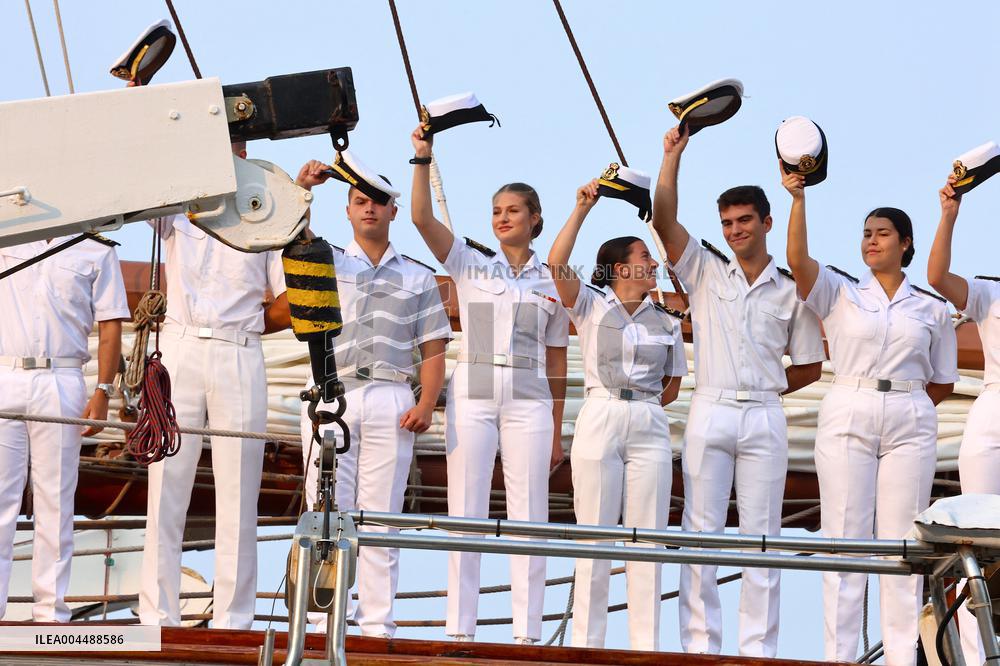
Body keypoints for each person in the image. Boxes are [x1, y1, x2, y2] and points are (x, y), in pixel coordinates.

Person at [653, 125, 826, 657]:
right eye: (726, 223)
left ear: (766, 222)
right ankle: (699, 648)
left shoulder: (792, 288)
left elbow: (811, 367)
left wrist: (768, 388)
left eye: (744, 220)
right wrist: (673, 156)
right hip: (710, 406)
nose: (734, 230)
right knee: (700, 531)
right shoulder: (704, 270)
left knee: (763, 536)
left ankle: (757, 652)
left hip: (764, 414)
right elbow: (662, 220)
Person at [783, 166, 958, 666]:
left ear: (906, 244)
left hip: (909, 413)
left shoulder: (931, 308)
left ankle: (901, 657)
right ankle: (839, 657)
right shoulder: (840, 290)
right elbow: (797, 261)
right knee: (844, 533)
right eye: (866, 233)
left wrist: (907, 408)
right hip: (849, 406)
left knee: (901, 541)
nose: (871, 241)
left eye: (882, 234)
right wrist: (798, 199)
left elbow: (942, 379)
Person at [409, 125, 569, 644]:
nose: (502, 218)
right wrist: (422, 158)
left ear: (535, 218)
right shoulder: (470, 264)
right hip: (475, 382)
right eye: (496, 211)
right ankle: (461, 630)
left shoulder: (554, 279)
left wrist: (556, 429)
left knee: (531, 516)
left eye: (513, 211)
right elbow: (420, 218)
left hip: (529, 393)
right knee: (467, 509)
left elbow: (558, 360)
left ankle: (527, 633)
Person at [293, 156, 450, 637]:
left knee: (382, 517)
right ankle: (321, 620)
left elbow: (433, 347)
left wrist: (425, 405)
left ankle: (377, 624)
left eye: (378, 202)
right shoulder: (328, 261)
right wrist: (304, 189)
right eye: (360, 201)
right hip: (331, 393)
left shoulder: (419, 277)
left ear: (393, 212)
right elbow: (291, 242)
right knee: (324, 513)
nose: (369, 209)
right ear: (347, 211)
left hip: (389, 394)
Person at [138, 142, 291, 629]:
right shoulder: (178, 202)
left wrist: (245, 327)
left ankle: (234, 618)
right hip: (179, 346)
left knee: (239, 490)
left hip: (238, 351)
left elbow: (291, 300)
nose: (228, 154)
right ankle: (156, 614)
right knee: (166, 486)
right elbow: (135, 182)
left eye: (237, 144)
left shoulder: (264, 212)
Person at [548, 180, 687, 651]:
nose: (653, 263)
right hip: (601, 412)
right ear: (622, 266)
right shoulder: (589, 304)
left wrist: (644, 407)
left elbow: (674, 382)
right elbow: (557, 264)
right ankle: (589, 645)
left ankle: (645, 648)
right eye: (645, 255)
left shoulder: (667, 317)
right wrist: (581, 208)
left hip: (648, 419)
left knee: (648, 538)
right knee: (596, 536)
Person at [0, 233, 129, 621]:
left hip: (62, 377)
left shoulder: (98, 249)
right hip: (4, 371)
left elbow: (110, 327)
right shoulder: (6, 237)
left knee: (56, 501)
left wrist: (104, 391)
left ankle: (50, 614)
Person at [928, 174, 997, 666]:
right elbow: (937, 278)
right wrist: (949, 214)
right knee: (975, 533)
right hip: (993, 406)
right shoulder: (990, 293)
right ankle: (976, 657)